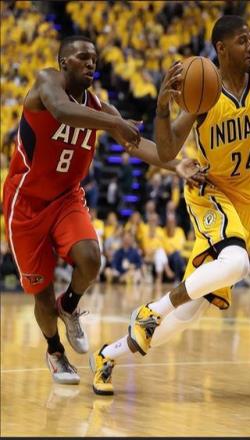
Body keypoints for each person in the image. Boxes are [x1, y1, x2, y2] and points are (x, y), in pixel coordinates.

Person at [90, 14, 250, 395]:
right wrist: (162, 109)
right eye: (242, 40)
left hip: (247, 206)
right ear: (221, 48)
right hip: (210, 193)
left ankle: (108, 354)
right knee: (238, 264)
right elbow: (166, 150)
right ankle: (152, 309)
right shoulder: (205, 90)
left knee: (186, 315)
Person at [2, 35, 204, 385]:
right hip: (27, 202)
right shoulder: (47, 81)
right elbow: (61, 110)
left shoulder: (100, 107)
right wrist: (112, 123)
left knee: (92, 259)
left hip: (66, 197)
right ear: (64, 63)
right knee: (42, 293)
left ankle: (70, 306)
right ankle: (55, 351)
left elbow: (136, 144)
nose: (91, 63)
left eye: (94, 58)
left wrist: (177, 165)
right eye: (82, 57)